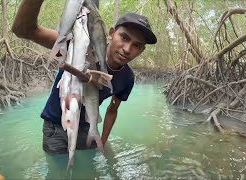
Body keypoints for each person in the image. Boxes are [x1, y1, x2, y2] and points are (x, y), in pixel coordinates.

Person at [12, 0, 157, 155]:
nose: (127, 49)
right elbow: (23, 30)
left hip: (87, 128)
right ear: (111, 33)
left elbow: (113, 110)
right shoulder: (79, 45)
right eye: (124, 38)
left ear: (141, 51)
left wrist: (103, 140)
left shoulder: (127, 78)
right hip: (57, 127)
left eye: (136, 45)